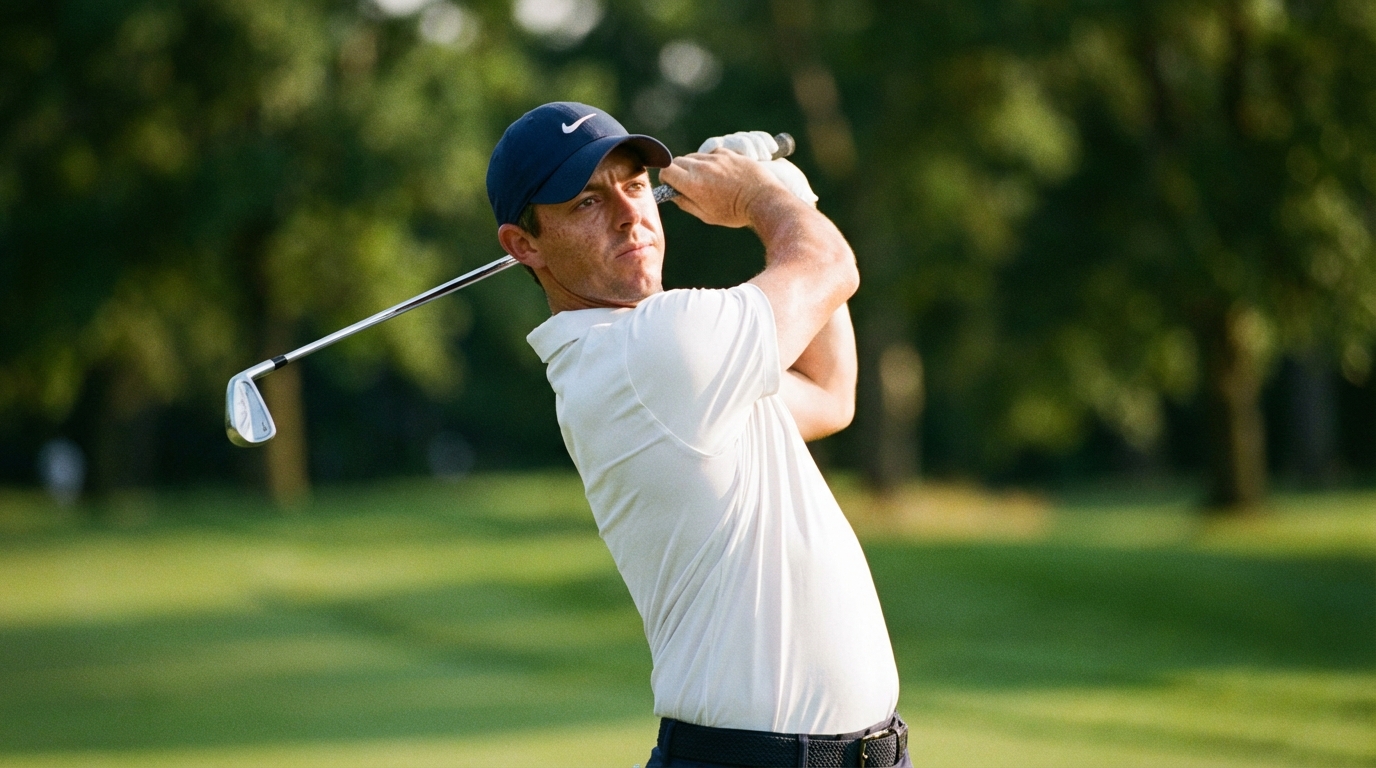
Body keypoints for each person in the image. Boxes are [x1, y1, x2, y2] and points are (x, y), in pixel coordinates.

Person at [487, 102, 908, 768]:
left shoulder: (658, 359)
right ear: (524, 245)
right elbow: (830, 268)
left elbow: (830, 394)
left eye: (632, 184)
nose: (630, 213)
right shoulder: (651, 349)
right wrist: (760, 196)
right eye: (587, 202)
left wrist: (791, 196)